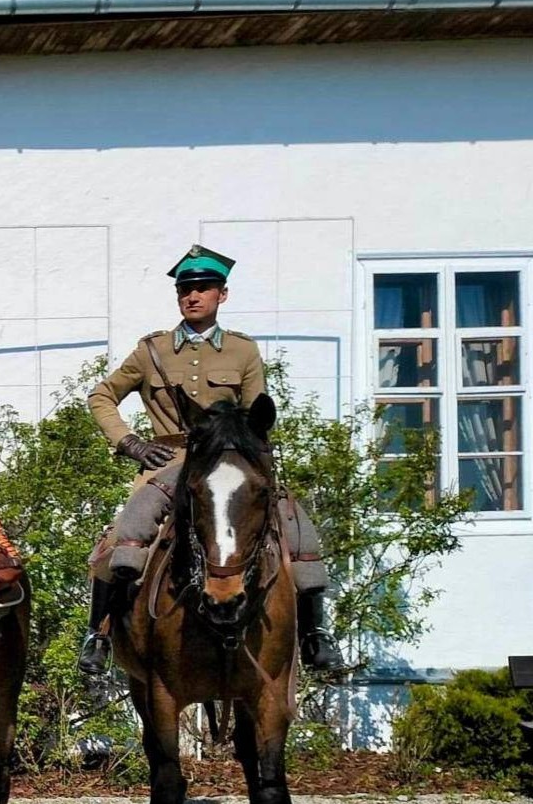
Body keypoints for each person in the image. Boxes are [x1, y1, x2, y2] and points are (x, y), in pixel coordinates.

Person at [80, 244, 343, 675]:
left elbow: (257, 415)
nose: (193, 296)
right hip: (169, 463)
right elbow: (101, 395)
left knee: (298, 529)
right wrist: (130, 443)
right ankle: (99, 635)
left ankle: (316, 636)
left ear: (223, 294)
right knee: (119, 540)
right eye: (186, 289)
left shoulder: (243, 352)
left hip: (230, 463)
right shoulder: (151, 351)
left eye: (203, 288)